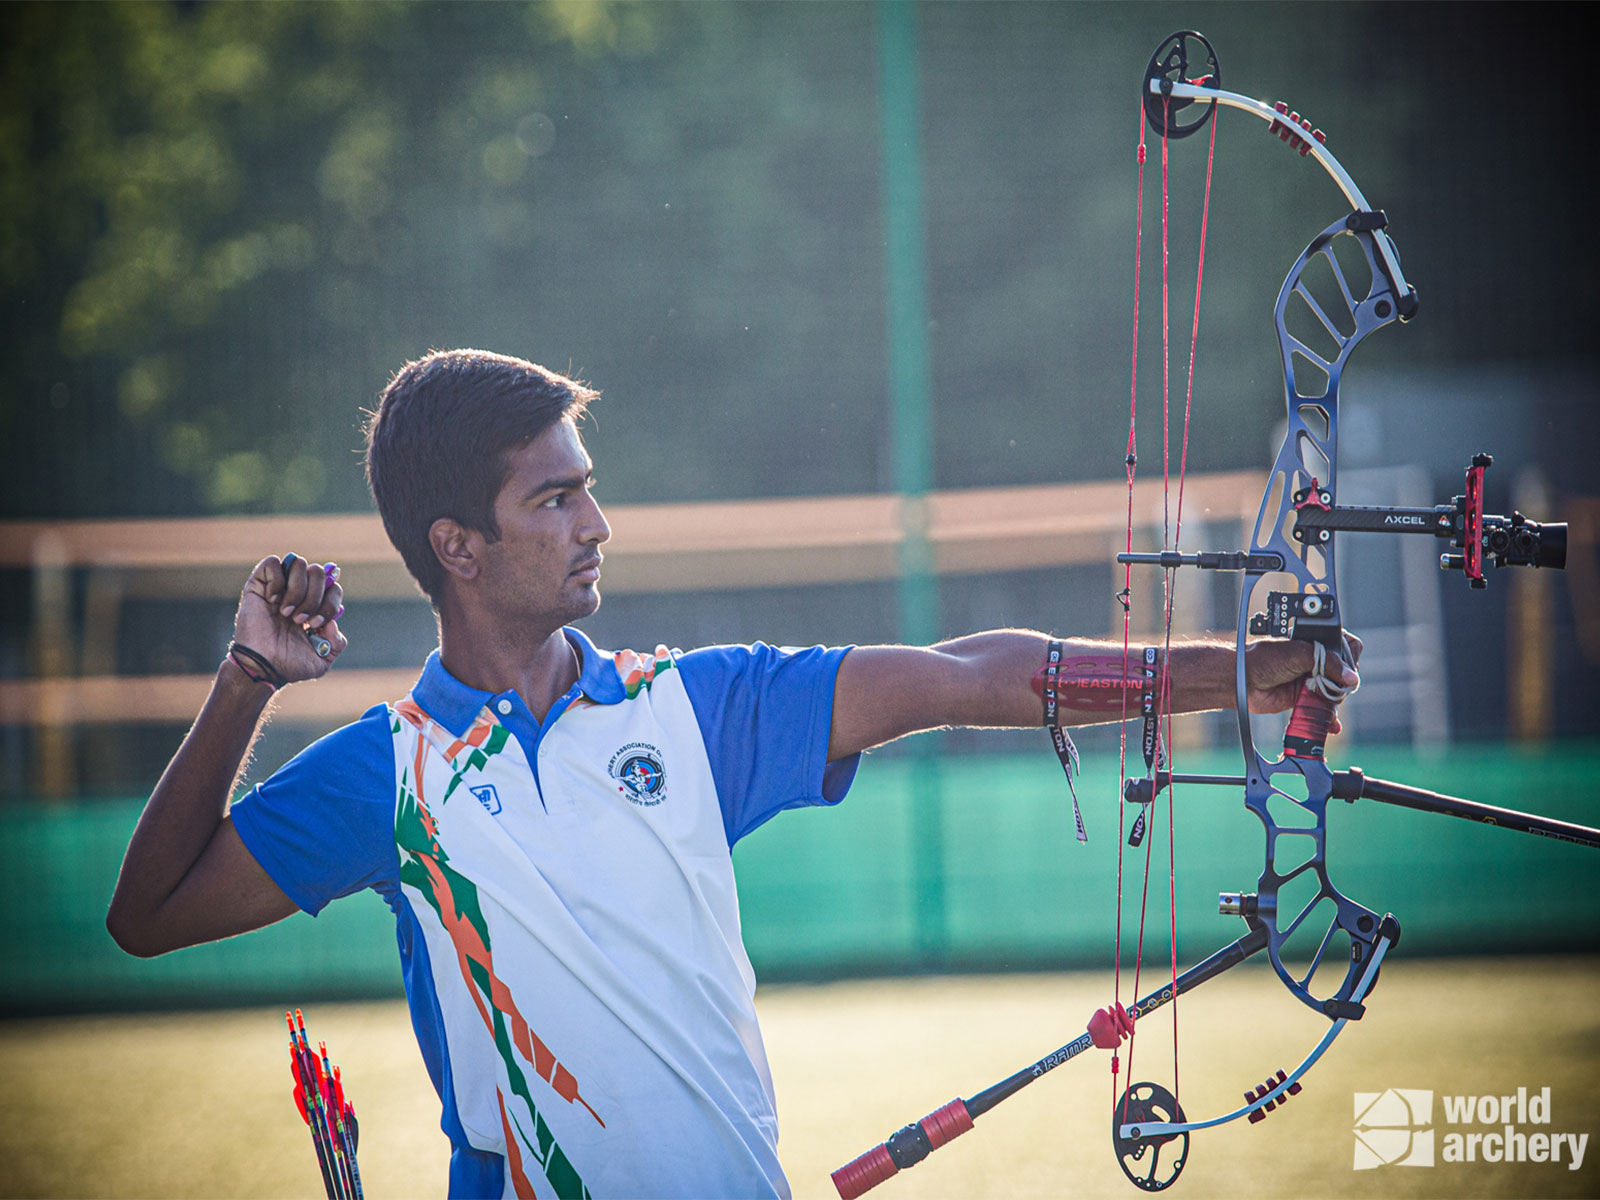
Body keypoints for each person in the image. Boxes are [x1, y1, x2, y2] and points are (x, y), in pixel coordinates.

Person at [107, 348, 1359, 1200]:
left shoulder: (692, 709)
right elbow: (149, 913)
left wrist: (1238, 673)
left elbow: (969, 674)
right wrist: (249, 680)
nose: (596, 525)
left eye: (590, 491)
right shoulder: (390, 773)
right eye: (554, 501)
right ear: (459, 547)